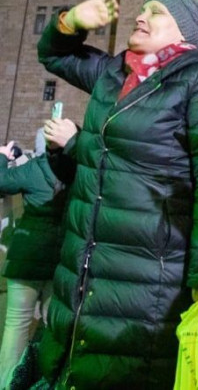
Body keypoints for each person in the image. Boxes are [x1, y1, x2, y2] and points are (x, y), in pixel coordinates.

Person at [36, 0, 198, 388]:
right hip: (87, 265)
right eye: (142, 9)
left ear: (186, 33)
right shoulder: (115, 72)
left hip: (151, 274)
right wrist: (72, 21)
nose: (142, 16)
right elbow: (55, 55)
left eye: (158, 12)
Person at [0, 119, 76, 388]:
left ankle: (7, 382)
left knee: (16, 325)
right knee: (50, 327)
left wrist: (2, 157)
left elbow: (1, 182)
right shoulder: (79, 173)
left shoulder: (34, 169)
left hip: (26, 259)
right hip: (60, 262)